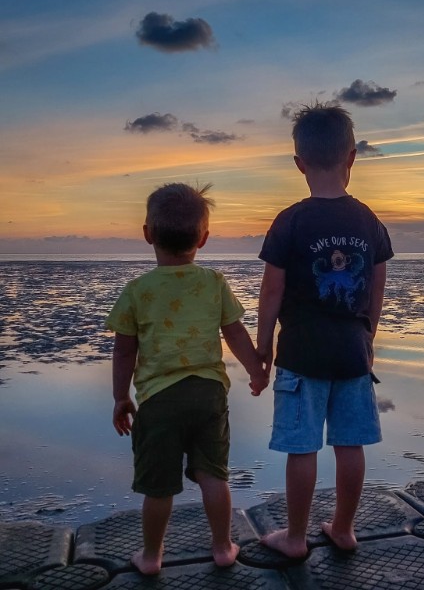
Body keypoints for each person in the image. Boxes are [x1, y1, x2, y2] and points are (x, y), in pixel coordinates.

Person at [107, 182, 268, 575]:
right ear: (204, 238)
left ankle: (151, 556)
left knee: (158, 485)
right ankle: (222, 547)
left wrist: (120, 397)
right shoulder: (214, 283)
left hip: (159, 399)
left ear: (148, 234)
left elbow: (125, 350)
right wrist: (256, 369)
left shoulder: (136, 291)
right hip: (209, 394)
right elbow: (234, 333)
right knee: (214, 474)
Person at [255, 103, 393, 558]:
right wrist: (367, 338)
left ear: (299, 163)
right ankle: (344, 529)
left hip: (300, 353)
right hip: (353, 353)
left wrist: (262, 347)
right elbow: (375, 290)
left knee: (303, 448)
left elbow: (271, 292)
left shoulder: (290, 220)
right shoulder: (367, 219)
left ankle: (295, 538)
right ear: (351, 157)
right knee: (350, 443)